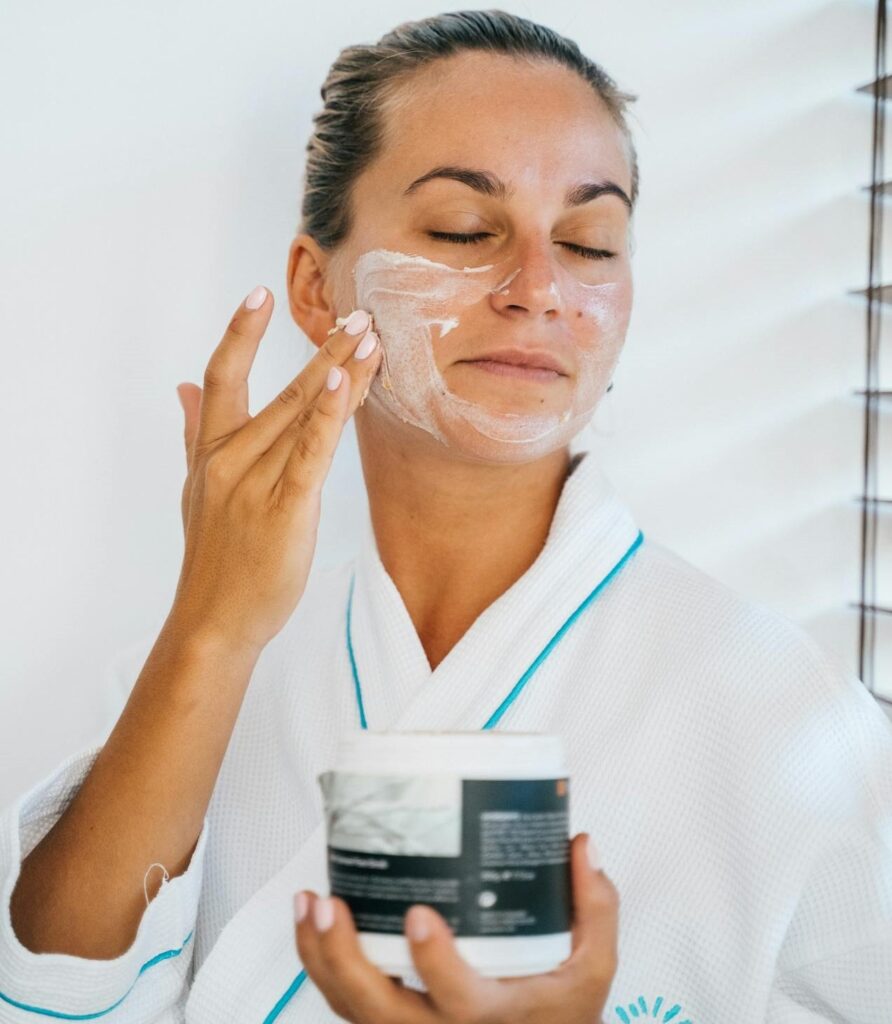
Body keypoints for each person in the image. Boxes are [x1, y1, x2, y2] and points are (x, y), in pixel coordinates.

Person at [2, 9, 891, 1024]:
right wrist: (210, 628)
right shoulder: (225, 662)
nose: (540, 287)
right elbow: (53, 998)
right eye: (465, 230)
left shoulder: (786, 722)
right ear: (312, 284)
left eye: (590, 241)